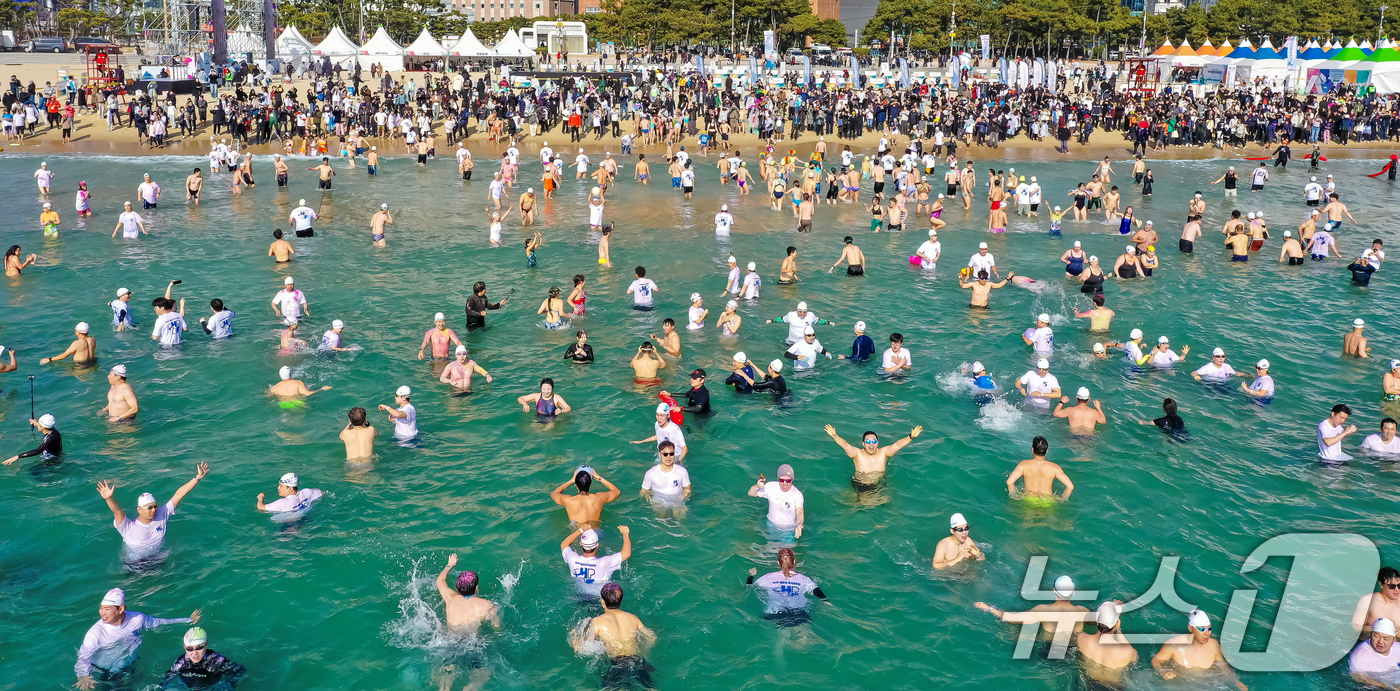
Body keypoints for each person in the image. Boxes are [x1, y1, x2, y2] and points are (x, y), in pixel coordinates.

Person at [74, 588, 200, 691]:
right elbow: (84, 656)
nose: (102, 613)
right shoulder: (96, 633)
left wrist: (188, 620)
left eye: (107, 609)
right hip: (108, 673)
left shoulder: (137, 619)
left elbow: (159, 622)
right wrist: (83, 676)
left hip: (130, 664)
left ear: (121, 609)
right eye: (101, 608)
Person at [98, 462, 209, 560]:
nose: (154, 509)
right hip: (136, 563)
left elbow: (178, 495)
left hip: (159, 559)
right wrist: (108, 498)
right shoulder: (127, 526)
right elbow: (117, 511)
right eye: (149, 507)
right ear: (139, 509)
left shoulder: (162, 514)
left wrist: (198, 477)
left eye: (155, 506)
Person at [432, 553, 500, 691]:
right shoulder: (485, 605)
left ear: (457, 588)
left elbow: (440, 580)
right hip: (471, 645)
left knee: (445, 680)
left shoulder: (450, 598)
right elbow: (496, 627)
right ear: (476, 588)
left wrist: (449, 565)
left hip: (450, 643)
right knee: (482, 676)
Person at [569, 583, 657, 690]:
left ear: (602, 602)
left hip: (617, 664)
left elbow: (583, 649)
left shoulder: (597, 622)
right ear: (620, 600)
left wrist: (574, 635)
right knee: (650, 688)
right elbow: (652, 638)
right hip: (637, 660)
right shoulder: (634, 618)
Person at [1151, 609, 1248, 691]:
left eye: (1209, 628)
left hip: (1207, 685)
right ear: (1190, 628)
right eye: (1202, 629)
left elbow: (1223, 666)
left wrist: (1236, 682)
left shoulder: (1214, 645)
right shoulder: (1173, 645)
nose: (1207, 633)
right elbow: (1156, 660)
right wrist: (1163, 671)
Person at [824, 424, 925, 490]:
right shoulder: (857, 454)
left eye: (874, 441)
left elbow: (897, 445)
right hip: (860, 484)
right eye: (868, 442)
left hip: (879, 485)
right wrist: (834, 436)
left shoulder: (884, 453)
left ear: (878, 443)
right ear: (863, 443)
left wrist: (911, 437)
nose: (871, 444)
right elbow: (845, 445)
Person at [746, 548, 830, 626]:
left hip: (774, 614)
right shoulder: (804, 579)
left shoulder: (767, 578)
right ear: (794, 561)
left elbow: (749, 588)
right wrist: (826, 601)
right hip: (799, 614)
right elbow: (816, 591)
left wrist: (751, 576)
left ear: (778, 562)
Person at [158, 627, 246, 690]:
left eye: (199, 647)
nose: (194, 653)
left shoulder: (216, 661)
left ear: (206, 644)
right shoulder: (181, 663)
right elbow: (168, 678)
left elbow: (239, 671)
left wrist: (225, 686)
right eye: (189, 649)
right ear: (184, 647)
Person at [1076, 602, 1138, 686]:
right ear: (1117, 623)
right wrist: (1118, 630)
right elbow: (1134, 659)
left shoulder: (1081, 638)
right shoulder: (1127, 652)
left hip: (1090, 683)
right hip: (1113, 686)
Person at [1006, 436, 1073, 501]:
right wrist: (1062, 499)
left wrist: (1014, 496)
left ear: (1033, 449)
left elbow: (1009, 482)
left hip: (1029, 499)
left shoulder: (1023, 465)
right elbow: (1070, 486)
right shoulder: (1055, 468)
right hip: (1047, 500)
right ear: (1047, 451)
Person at [552, 467, 620, 530]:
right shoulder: (599, 498)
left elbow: (554, 493)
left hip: (579, 534)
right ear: (590, 483)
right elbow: (616, 491)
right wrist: (599, 478)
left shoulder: (568, 500)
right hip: (596, 533)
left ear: (576, 484)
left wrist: (571, 481)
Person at [747, 463, 805, 538]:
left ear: (792, 480)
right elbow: (751, 493)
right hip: (771, 526)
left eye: (788, 480)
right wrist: (757, 486)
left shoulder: (797, 494)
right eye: (782, 480)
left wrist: (799, 525)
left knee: (786, 549)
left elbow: (799, 512)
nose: (784, 483)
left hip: (787, 530)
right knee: (771, 548)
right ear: (778, 479)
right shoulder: (771, 487)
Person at [641, 441, 691, 508]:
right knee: (662, 516)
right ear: (659, 454)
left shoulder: (682, 471)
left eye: (671, 454)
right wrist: (651, 502)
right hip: (658, 503)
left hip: (678, 502)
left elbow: (687, 488)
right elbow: (644, 491)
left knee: (680, 517)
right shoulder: (651, 473)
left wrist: (681, 499)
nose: (668, 457)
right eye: (665, 454)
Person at [1354, 568, 1400, 637]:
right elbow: (1355, 626)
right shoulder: (1367, 601)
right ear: (1381, 584)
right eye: (1391, 586)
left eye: (1399, 586)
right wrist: (1377, 628)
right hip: (1370, 641)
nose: (1397, 590)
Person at [767, 301, 833, 344]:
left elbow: (818, 321)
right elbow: (782, 319)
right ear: (797, 310)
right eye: (800, 311)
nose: (802, 313)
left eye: (804, 311)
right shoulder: (791, 315)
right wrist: (771, 320)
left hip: (805, 342)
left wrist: (829, 322)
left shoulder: (810, 315)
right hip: (791, 342)